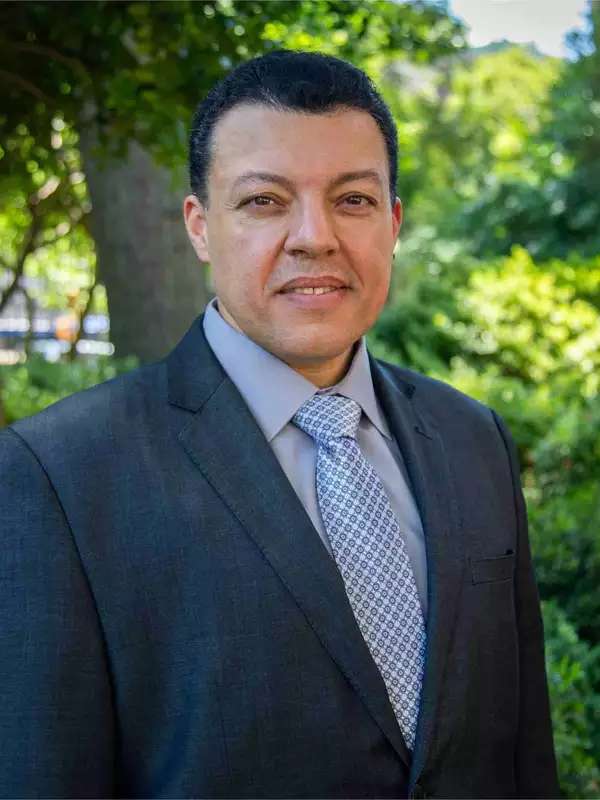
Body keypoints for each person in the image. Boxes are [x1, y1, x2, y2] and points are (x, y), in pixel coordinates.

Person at [0, 50, 559, 799]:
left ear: (392, 222)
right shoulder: (58, 475)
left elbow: (524, 759)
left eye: (353, 200)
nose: (314, 237)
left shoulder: (473, 439)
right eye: (264, 201)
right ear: (200, 226)